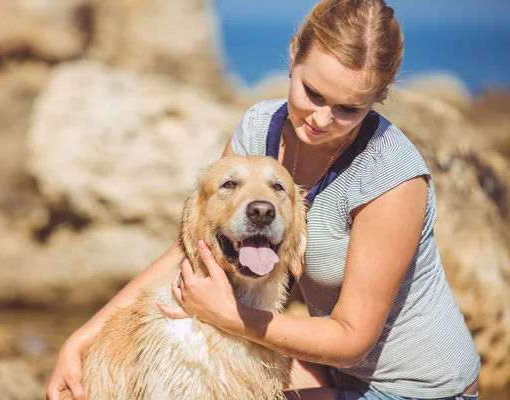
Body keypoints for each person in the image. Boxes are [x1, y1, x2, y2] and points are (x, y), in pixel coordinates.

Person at [46, 1, 481, 399]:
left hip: (416, 387)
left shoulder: (392, 176)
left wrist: (229, 318)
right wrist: (83, 337)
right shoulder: (260, 127)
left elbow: (352, 338)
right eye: (312, 92)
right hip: (331, 369)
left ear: (377, 100)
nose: (322, 119)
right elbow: (194, 242)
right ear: (294, 55)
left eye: (349, 109)